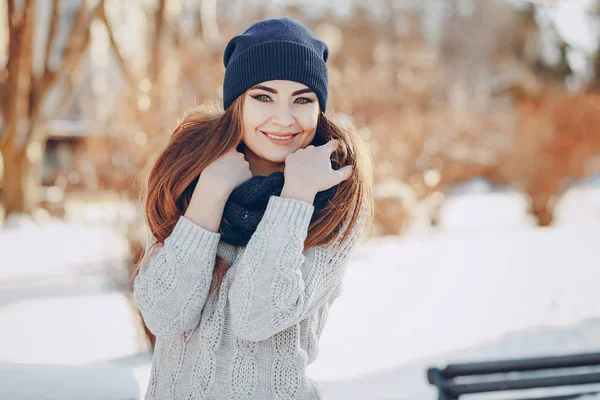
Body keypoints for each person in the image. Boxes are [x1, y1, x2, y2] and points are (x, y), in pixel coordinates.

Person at [132, 16, 374, 400]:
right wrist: (209, 196)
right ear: (237, 103)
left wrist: (296, 198)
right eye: (263, 97)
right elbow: (163, 315)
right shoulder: (187, 176)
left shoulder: (335, 195)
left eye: (302, 99)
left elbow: (256, 316)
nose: (284, 118)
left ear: (319, 107)